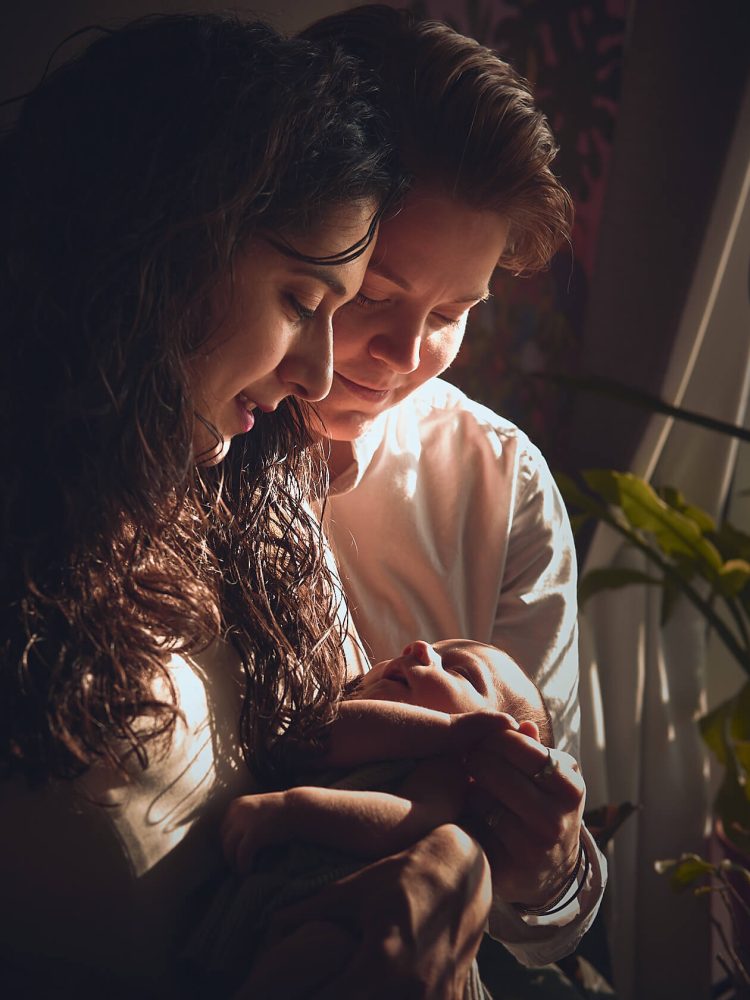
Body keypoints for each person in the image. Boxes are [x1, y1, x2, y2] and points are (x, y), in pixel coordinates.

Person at [0, 13, 491, 996]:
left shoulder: (238, 504)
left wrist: (452, 858)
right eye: (305, 303)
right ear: (158, 246)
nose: (318, 373)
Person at [300, 3, 607, 967]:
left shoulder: (500, 484)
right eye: (375, 294)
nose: (403, 355)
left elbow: (556, 922)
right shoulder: (151, 444)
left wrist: (550, 870)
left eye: (453, 311)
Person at [187, 638, 580, 998]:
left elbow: (408, 819)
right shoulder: (360, 733)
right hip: (275, 908)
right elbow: (323, 737)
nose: (420, 646)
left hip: (358, 920)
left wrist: (293, 809)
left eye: (459, 672)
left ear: (500, 744)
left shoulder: (444, 770)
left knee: (312, 953)